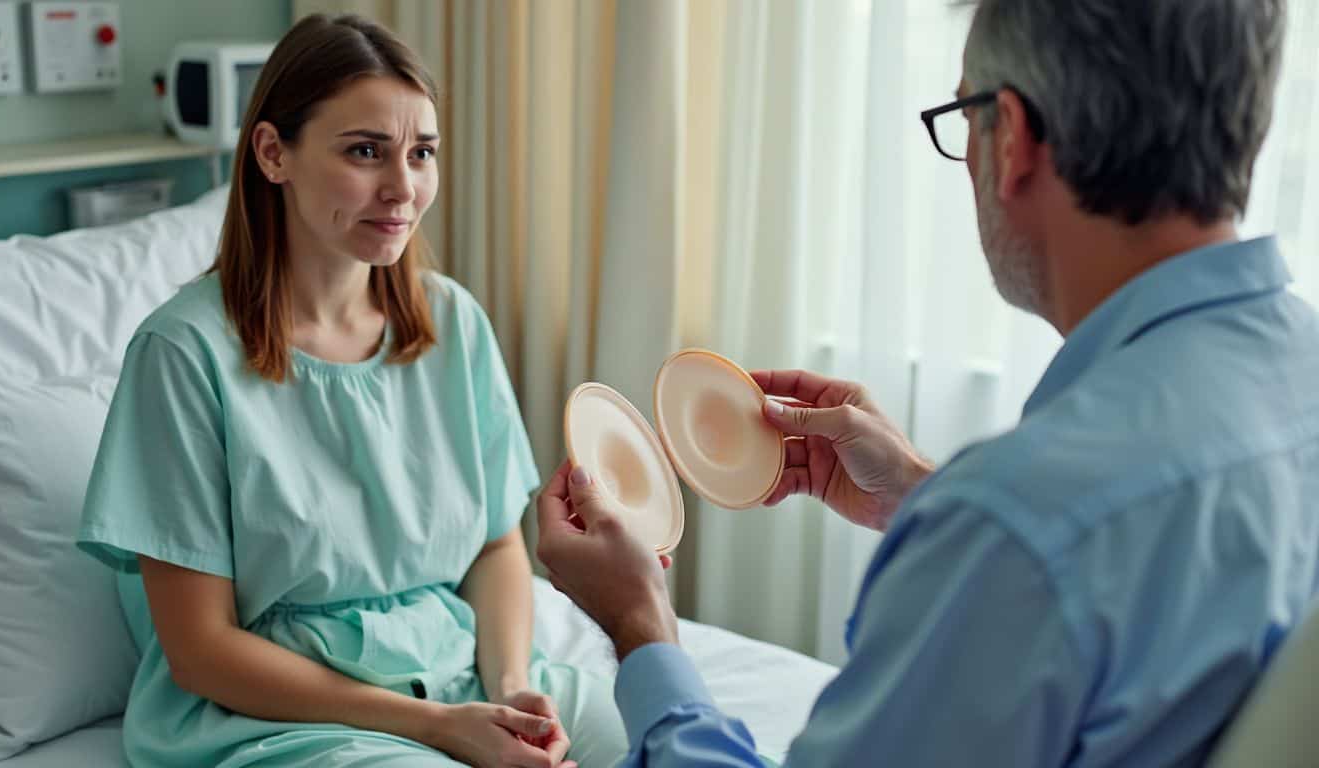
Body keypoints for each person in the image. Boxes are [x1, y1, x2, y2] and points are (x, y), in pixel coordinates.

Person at [537, 0, 1319, 765]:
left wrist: (640, 625)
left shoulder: (1020, 523)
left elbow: (1054, 540)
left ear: (1009, 138)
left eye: (963, 117)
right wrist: (917, 494)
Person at [77, 14, 626, 768]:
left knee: (662, 740)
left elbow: (497, 545)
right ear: (274, 153)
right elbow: (201, 653)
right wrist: (432, 728)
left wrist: (508, 686)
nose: (403, 187)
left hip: (459, 675)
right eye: (365, 151)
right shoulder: (183, 354)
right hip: (283, 714)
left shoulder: (451, 322)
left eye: (422, 153)